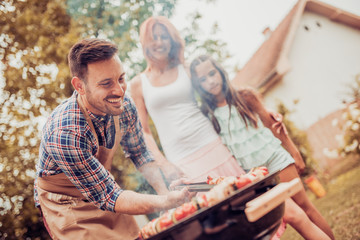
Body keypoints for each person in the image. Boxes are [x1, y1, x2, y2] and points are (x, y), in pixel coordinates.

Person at [33, 38, 193, 240]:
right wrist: (164, 202)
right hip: (67, 205)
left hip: (103, 187)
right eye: (106, 83)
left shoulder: (124, 106)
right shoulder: (65, 133)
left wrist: (165, 195)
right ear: (79, 86)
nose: (119, 90)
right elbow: (109, 196)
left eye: (121, 78)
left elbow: (140, 154)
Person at [189, 54, 335, 240]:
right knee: (291, 216)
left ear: (220, 72)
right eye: (202, 79)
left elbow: (273, 125)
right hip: (255, 176)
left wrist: (294, 152)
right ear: (198, 85)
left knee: (306, 208)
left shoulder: (245, 96)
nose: (210, 81)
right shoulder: (207, 115)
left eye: (212, 74)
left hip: (276, 160)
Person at [130, 16, 245, 184]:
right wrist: (164, 164)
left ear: (172, 41)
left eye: (164, 37)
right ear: (145, 43)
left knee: (242, 194)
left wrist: (258, 109)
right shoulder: (138, 84)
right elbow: (144, 132)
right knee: (210, 206)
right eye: (154, 38)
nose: (160, 42)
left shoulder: (186, 69)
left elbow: (221, 93)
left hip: (212, 144)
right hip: (179, 159)